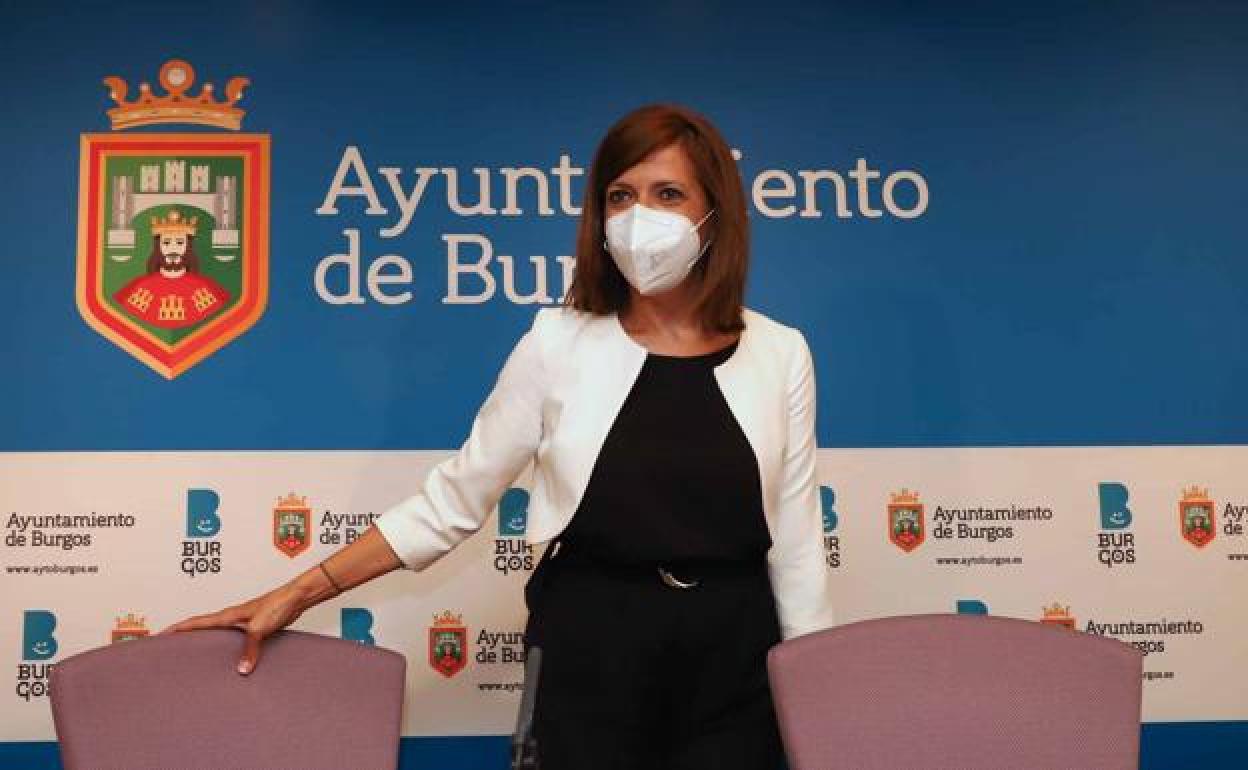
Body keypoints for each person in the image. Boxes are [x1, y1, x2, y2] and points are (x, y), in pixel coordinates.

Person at [160, 103, 835, 769]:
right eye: (620, 196)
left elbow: (797, 537)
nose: (639, 218)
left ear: (715, 211)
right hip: (591, 652)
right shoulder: (556, 342)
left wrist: (815, 697)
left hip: (735, 659)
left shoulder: (780, 352)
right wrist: (294, 594)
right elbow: (451, 503)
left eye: (668, 194)